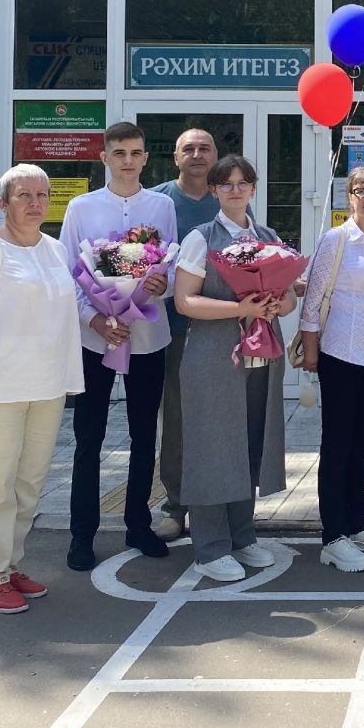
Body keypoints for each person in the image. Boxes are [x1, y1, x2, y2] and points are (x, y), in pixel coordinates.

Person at [0, 165, 85, 614]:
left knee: (28, 483)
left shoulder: (54, 249)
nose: (35, 203)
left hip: (47, 385)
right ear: (2, 203)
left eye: (42, 195)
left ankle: (8, 565)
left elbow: (69, 310)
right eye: (24, 195)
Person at [60, 122, 178, 573]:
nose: (128, 161)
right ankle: (82, 533)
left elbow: (169, 267)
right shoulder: (81, 207)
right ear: (104, 157)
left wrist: (162, 286)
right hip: (95, 339)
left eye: (135, 153)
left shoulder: (162, 206)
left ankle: (138, 524)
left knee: (144, 435)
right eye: (119, 153)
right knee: (88, 437)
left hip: (146, 339)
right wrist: (95, 319)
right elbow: (69, 273)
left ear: (146, 158)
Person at [172, 155, 295, 583]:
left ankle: (243, 536)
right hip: (212, 355)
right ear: (214, 191)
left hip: (261, 353)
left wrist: (278, 304)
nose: (236, 190)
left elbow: (289, 297)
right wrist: (241, 308)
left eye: (243, 183)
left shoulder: (268, 237)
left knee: (249, 442)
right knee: (212, 446)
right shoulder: (201, 238)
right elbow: (185, 300)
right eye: (226, 184)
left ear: (254, 188)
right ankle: (210, 547)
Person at [297, 165, 364, 572]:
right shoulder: (335, 240)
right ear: (350, 196)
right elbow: (312, 303)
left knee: (363, 445)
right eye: (362, 191)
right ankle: (333, 535)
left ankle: (357, 525)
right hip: (340, 355)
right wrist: (311, 353)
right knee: (338, 445)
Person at [150, 127, 219, 541]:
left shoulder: (228, 199)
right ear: (176, 157)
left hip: (221, 330)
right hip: (172, 329)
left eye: (204, 148)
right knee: (176, 422)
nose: (196, 154)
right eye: (188, 148)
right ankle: (174, 506)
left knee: (217, 421)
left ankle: (214, 505)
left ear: (215, 156)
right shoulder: (158, 202)